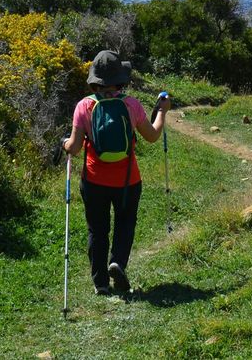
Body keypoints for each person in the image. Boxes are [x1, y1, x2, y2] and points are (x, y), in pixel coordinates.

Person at [62, 50, 171, 295]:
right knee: (125, 223)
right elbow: (152, 136)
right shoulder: (131, 104)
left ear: (95, 80)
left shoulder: (84, 106)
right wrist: (162, 111)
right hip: (127, 181)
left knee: (97, 229)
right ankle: (117, 262)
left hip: (93, 180)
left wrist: (64, 144)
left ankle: (100, 282)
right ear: (120, 78)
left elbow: (75, 147)